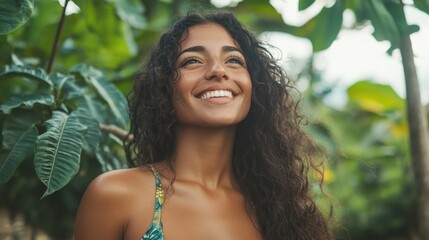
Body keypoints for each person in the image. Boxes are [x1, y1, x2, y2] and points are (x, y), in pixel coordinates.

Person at [74, 11, 333, 240]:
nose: (218, 71)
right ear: (164, 88)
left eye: (234, 60)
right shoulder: (116, 195)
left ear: (255, 87)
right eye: (192, 61)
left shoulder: (278, 209)